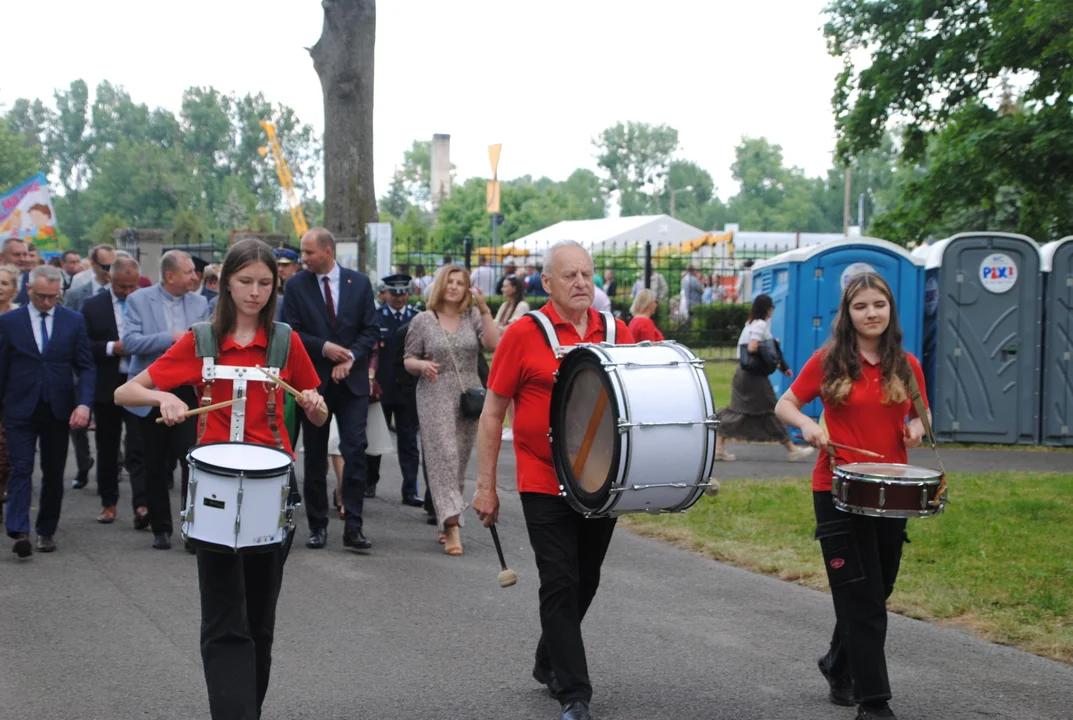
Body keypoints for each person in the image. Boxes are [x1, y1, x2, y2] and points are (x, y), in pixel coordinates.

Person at [115, 238, 327, 720]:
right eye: (245, 282)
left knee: (259, 617)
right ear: (225, 282)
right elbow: (125, 391)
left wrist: (315, 406)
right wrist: (162, 400)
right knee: (224, 615)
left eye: (265, 283)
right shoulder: (201, 340)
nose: (255, 292)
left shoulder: (286, 341)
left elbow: (317, 412)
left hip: (273, 487)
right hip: (213, 488)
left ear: (275, 286)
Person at [473, 240, 634, 720]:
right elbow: (492, 413)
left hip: (602, 481)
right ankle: (575, 693)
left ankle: (549, 660)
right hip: (542, 476)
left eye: (587, 274)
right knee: (559, 579)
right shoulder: (523, 335)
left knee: (585, 579)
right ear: (547, 283)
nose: (582, 282)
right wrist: (485, 486)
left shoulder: (616, 331)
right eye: (570, 275)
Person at [775, 272, 928, 720]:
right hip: (837, 488)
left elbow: (922, 413)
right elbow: (786, 403)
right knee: (861, 595)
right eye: (861, 306)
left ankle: (838, 664)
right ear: (848, 313)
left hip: (893, 492)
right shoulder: (829, 360)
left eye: (878, 304)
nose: (871, 313)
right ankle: (874, 702)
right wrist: (807, 426)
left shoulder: (907, 364)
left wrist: (917, 428)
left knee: (875, 591)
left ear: (889, 308)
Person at [281, 227, 379, 552]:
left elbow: (370, 330)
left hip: (351, 383)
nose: (303, 258)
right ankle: (317, 526)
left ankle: (354, 525)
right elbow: (291, 332)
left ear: (327, 251)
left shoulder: (359, 283)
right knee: (314, 455)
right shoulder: (295, 285)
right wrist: (325, 348)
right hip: (314, 383)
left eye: (308, 253)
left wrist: (350, 357)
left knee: (354, 450)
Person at [404, 264, 499, 555]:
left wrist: (484, 308)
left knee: (457, 460)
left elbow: (493, 344)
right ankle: (454, 525)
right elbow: (408, 359)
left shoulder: (471, 316)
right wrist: (422, 366)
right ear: (441, 285)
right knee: (443, 455)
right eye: (451, 281)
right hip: (434, 394)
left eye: (462, 282)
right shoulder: (423, 320)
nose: (455, 287)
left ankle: (446, 519)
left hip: (468, 395)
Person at [1, 266, 95, 557]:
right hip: (20, 407)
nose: (46, 303)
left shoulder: (73, 321)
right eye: (41, 296)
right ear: (28, 290)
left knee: (54, 472)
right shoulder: (9, 322)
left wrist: (84, 404)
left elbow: (86, 367)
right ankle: (19, 530)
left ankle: (46, 530)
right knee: (21, 467)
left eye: (53, 297)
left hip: (58, 408)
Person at [121, 250, 211, 550]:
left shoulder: (200, 302)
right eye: (188, 272)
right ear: (170, 275)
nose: (195, 277)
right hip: (148, 388)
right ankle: (161, 528)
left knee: (191, 460)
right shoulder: (138, 299)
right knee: (155, 463)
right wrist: (170, 338)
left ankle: (191, 529)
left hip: (187, 390)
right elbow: (130, 343)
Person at [81, 256, 148, 528]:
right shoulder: (93, 306)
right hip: (107, 383)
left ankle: (142, 505)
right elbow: (83, 346)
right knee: (107, 446)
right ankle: (108, 503)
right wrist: (112, 347)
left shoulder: (145, 302)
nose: (128, 292)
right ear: (110, 279)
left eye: (133, 286)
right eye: (122, 287)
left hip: (139, 381)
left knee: (138, 445)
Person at [715, 294, 814, 462]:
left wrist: (779, 364)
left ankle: (718, 446)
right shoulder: (760, 325)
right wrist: (769, 345)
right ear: (768, 309)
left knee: (741, 411)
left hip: (744, 375)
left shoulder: (751, 323)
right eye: (772, 307)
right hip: (753, 378)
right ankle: (791, 449)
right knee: (773, 410)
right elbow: (754, 347)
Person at [365, 274, 422, 505]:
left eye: (403, 293)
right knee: (375, 439)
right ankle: (370, 482)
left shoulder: (417, 319)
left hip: (408, 391)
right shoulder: (376, 318)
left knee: (409, 443)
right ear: (385, 293)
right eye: (394, 293)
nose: (399, 298)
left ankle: (410, 490)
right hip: (382, 389)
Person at [0, 266, 19, 522]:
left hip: (12, 392)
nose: (0, 287)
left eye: (4, 283)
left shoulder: (18, 318)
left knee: (6, 450)